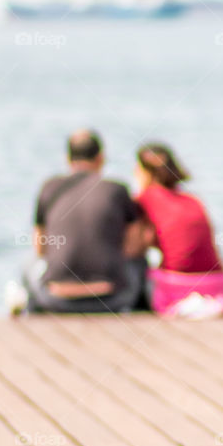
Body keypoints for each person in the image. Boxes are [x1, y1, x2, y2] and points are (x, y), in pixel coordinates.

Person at [26, 129, 148, 313]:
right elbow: (133, 248)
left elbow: (40, 247)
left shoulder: (49, 188)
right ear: (101, 158)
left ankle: (33, 317)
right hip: (113, 298)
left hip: (55, 298)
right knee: (140, 263)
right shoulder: (117, 189)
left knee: (27, 265)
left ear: (68, 158)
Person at [133, 142, 223, 317]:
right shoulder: (192, 200)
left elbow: (137, 244)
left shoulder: (146, 197)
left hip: (177, 285)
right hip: (219, 283)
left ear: (143, 172)